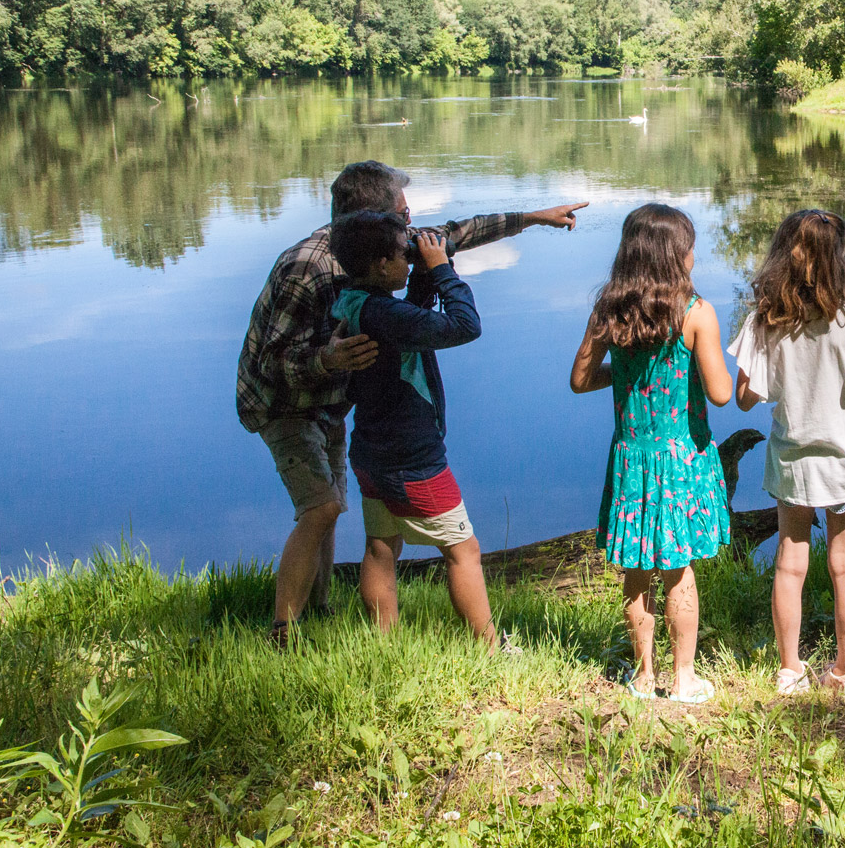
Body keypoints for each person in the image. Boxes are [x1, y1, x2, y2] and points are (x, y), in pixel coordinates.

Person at [236, 159, 586, 646]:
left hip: (358, 424)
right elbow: (271, 363)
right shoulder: (309, 268)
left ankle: (326, 612)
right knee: (322, 508)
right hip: (285, 400)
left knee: (350, 517)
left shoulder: (369, 259)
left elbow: (457, 232)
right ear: (378, 229)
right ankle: (283, 629)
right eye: (404, 215)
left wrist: (533, 217)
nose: (413, 224)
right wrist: (328, 359)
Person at [569, 204, 733, 703]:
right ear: (673, 254)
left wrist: (622, 377)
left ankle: (644, 677)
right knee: (679, 570)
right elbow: (722, 393)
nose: (693, 254)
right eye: (689, 246)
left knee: (637, 571)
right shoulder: (696, 312)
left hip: (632, 460)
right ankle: (683, 679)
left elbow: (579, 380)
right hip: (682, 461)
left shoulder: (609, 311)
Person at [727, 210, 845, 698]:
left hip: (793, 459)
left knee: (789, 565)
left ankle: (790, 670)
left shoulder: (767, 317)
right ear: (837, 257)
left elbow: (744, 397)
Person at [328, 212, 505, 648]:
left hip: (371, 451)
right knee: (464, 551)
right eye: (402, 257)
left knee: (381, 545)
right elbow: (465, 327)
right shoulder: (383, 313)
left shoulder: (353, 300)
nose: (409, 263)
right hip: (413, 458)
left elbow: (410, 318)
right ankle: (491, 650)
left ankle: (386, 643)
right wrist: (443, 269)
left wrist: (423, 277)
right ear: (379, 266)